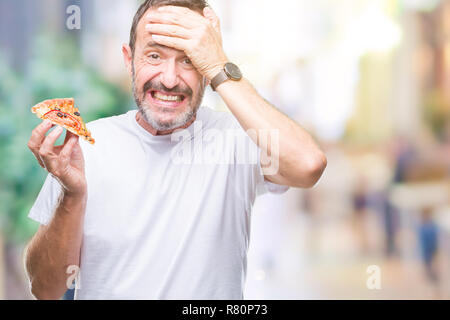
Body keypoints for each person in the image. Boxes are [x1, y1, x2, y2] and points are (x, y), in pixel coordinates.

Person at [24, 0, 327, 300]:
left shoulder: (236, 141)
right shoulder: (86, 149)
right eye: (154, 55)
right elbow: (45, 289)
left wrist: (221, 66)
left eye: (189, 60)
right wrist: (72, 195)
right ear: (129, 60)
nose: (169, 80)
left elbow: (308, 164)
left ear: (207, 71)